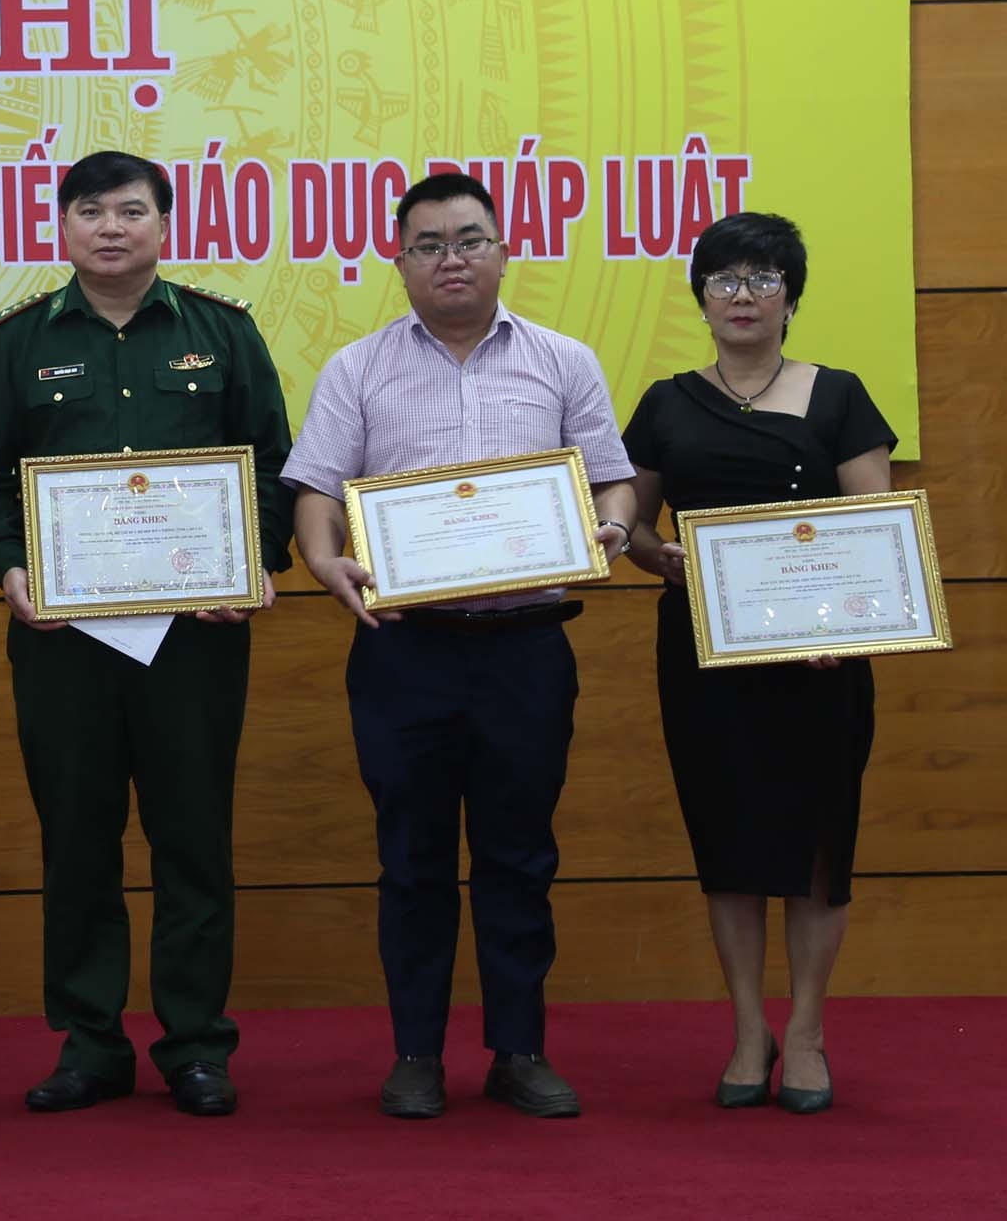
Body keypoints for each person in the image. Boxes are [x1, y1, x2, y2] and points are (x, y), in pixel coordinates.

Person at [284, 172, 636, 1121]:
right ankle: (416, 1054)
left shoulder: (564, 360)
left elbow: (612, 480)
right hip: (406, 651)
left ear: (504, 251)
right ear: (399, 260)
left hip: (526, 648)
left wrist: (609, 526)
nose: (452, 258)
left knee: (522, 855)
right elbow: (317, 491)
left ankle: (520, 1049)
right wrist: (322, 561)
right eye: (429, 244)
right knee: (413, 859)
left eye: (470, 239)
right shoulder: (357, 368)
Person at [0, 149, 293, 1119]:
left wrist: (252, 563)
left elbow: (274, 465)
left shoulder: (222, 332)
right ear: (62, 225)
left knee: (193, 839)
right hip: (63, 639)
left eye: (131, 210)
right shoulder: (16, 342)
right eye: (91, 210)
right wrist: (9, 568)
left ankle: (196, 1046)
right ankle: (90, 1043)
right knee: (76, 841)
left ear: (164, 224)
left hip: (195, 636)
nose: (111, 227)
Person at [620, 212, 893, 1115]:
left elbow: (873, 534)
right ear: (701, 297)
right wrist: (656, 556)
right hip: (707, 656)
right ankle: (748, 1028)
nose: (743, 295)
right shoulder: (666, 402)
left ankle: (806, 1030)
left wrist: (842, 628)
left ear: (791, 297)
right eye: (725, 279)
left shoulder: (840, 395)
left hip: (820, 660)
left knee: (818, 847)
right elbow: (636, 526)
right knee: (729, 844)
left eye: (764, 278)